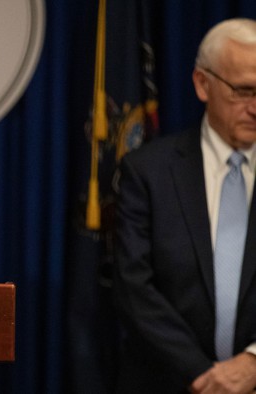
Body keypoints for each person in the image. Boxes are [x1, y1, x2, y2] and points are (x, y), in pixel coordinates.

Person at [115, 18, 256, 393]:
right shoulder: (148, 171)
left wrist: (253, 362)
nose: (255, 107)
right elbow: (132, 284)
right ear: (202, 84)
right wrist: (203, 376)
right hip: (168, 382)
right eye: (243, 91)